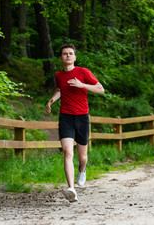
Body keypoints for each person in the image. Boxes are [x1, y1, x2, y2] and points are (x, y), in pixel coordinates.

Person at [46, 43, 104, 202]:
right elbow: (59, 90)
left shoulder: (83, 72)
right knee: (67, 151)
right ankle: (71, 188)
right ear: (61, 58)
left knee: (82, 156)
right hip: (66, 118)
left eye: (71, 53)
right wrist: (52, 100)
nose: (68, 56)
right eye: (65, 53)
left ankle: (82, 170)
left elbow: (100, 89)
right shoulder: (59, 75)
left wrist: (82, 85)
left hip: (82, 117)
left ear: (75, 57)